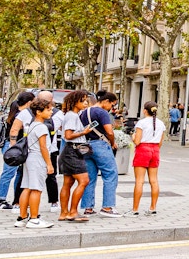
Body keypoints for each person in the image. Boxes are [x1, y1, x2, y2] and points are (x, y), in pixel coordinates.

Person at [79, 91, 122, 218]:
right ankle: (107, 207)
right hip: (100, 145)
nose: (112, 108)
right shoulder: (102, 112)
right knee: (110, 174)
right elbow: (109, 131)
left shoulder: (84, 112)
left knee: (90, 178)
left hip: (86, 145)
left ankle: (88, 207)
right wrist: (112, 142)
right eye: (112, 105)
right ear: (106, 101)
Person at [15, 98, 55, 229]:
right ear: (38, 112)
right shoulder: (42, 127)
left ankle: (22, 217)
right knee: (36, 189)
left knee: (26, 187)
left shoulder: (32, 125)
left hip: (29, 158)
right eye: (48, 109)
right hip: (38, 159)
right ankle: (34, 218)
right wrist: (49, 164)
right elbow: (43, 147)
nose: (51, 112)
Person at [57, 90, 92, 222]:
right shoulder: (72, 116)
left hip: (68, 151)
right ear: (74, 102)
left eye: (86, 100)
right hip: (73, 151)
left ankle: (64, 213)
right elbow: (68, 135)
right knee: (84, 180)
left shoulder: (71, 115)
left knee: (68, 183)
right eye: (82, 100)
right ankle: (73, 212)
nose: (85, 103)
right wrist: (84, 131)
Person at [0, 92, 36, 210]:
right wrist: (13, 146)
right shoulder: (21, 114)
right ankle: (1, 199)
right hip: (14, 146)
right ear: (29, 102)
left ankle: (17, 199)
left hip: (16, 146)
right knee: (9, 172)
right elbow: (14, 131)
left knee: (18, 173)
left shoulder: (15, 110)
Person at [130, 102, 165, 216]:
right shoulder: (161, 124)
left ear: (145, 110)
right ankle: (153, 207)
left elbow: (137, 141)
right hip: (155, 150)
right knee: (154, 180)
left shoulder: (142, 123)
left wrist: (133, 137)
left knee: (139, 181)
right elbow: (160, 142)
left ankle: (135, 209)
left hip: (143, 150)